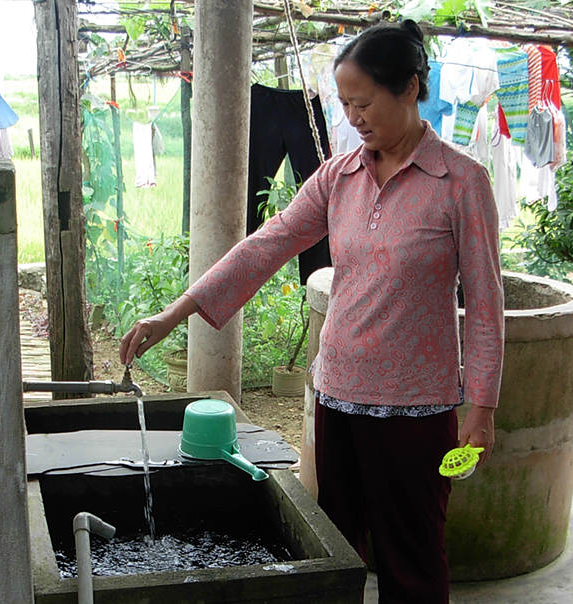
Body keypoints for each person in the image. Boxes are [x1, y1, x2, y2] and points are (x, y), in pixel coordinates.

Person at [120, 20, 504, 604]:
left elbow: (484, 302)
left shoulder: (460, 182)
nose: (354, 117)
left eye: (365, 102)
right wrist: (174, 313)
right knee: (337, 549)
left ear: (409, 89)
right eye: (345, 103)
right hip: (338, 396)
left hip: (417, 411)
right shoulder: (339, 177)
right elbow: (264, 246)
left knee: (414, 561)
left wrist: (482, 406)